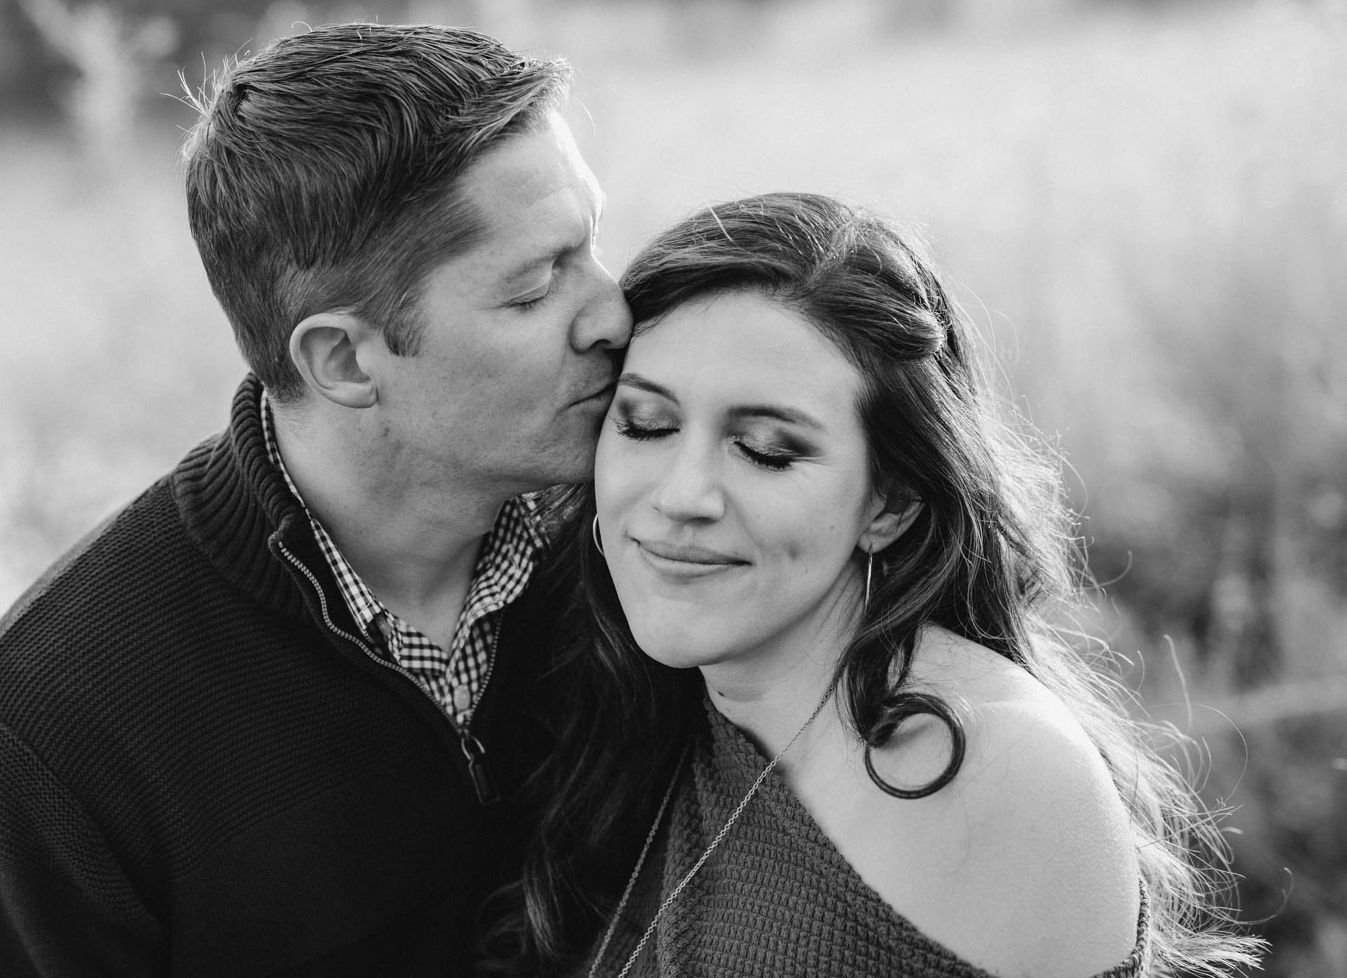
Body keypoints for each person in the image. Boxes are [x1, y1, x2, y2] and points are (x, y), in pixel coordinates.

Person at [0, 22, 630, 977]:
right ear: (342, 360)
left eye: (590, 244)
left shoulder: (646, 545)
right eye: (537, 285)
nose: (614, 311)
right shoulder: (56, 723)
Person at [495, 193, 1262, 977]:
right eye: (647, 426)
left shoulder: (986, 768)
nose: (681, 495)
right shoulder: (641, 701)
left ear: (890, 504)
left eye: (764, 449)